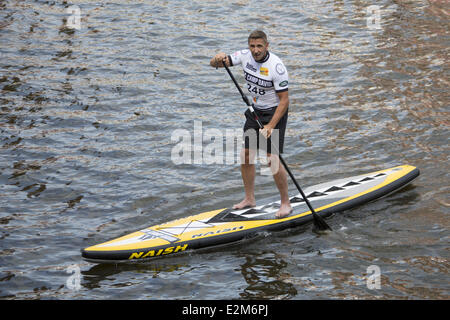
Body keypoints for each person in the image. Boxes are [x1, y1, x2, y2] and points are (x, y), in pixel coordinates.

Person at [210, 30, 292, 218]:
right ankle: (249, 199)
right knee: (246, 155)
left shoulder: (276, 67)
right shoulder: (244, 56)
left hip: (274, 113)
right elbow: (216, 64)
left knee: (271, 159)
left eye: (259, 46)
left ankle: (285, 203)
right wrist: (217, 59)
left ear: (267, 46)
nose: (255, 50)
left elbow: (285, 101)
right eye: (252, 46)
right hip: (255, 111)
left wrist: (271, 126)